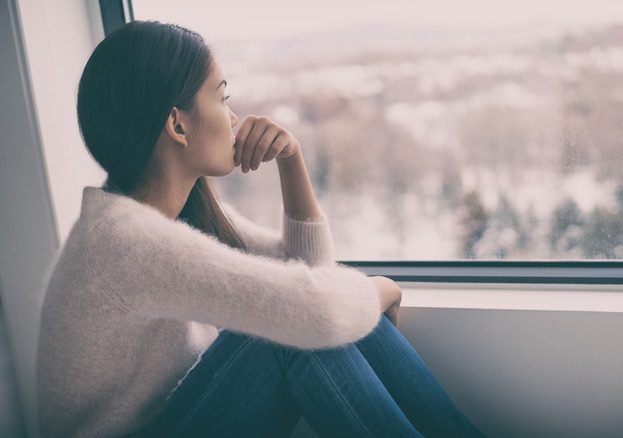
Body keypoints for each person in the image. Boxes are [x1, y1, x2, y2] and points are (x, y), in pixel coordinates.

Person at [36, 20, 485, 438]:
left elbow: (310, 274)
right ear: (177, 124)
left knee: (311, 318)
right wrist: (380, 290)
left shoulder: (172, 214)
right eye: (223, 97)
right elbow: (316, 312)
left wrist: (292, 163)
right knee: (290, 331)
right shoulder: (125, 241)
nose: (234, 118)